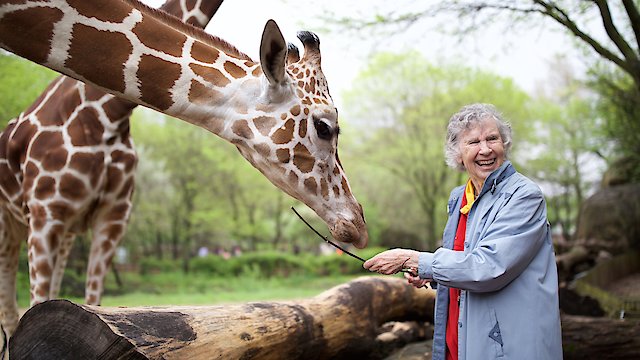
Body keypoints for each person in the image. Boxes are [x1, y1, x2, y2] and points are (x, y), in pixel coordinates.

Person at [364, 103, 562, 360]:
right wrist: (432, 276)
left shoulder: (524, 196)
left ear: (505, 143)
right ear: (458, 153)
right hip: (459, 336)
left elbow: (489, 266)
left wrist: (413, 259)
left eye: (493, 138)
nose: (485, 149)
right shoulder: (460, 198)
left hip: (508, 345)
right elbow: (463, 257)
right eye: (473, 142)